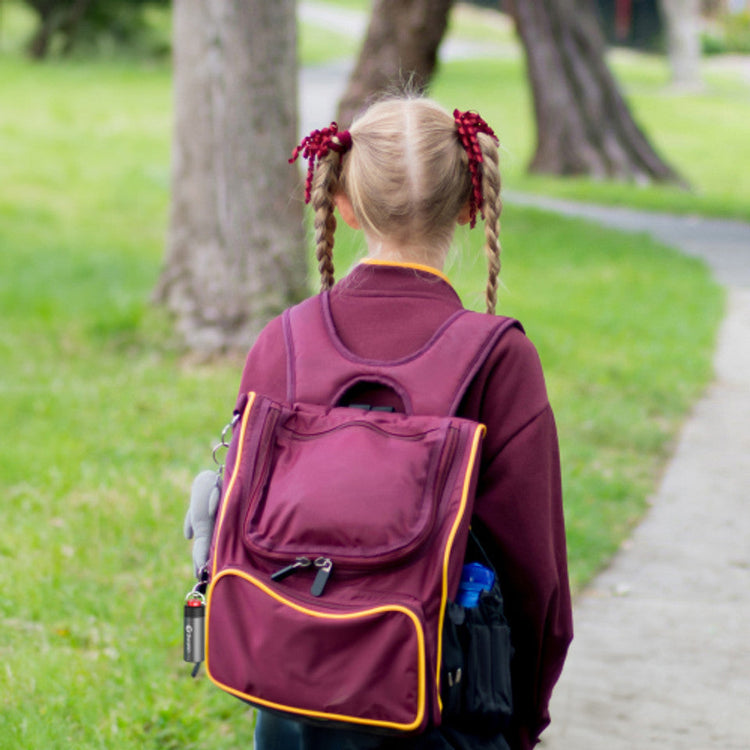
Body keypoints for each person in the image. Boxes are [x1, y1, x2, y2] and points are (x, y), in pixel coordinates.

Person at [193, 96, 573, 750]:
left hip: (290, 707)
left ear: (340, 201)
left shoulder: (280, 342)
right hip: (440, 708)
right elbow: (536, 580)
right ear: (467, 204)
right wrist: (524, 716)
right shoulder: (499, 358)